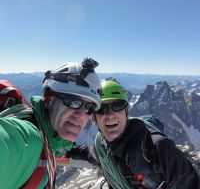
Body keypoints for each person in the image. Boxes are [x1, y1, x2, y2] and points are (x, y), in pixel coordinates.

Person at [67, 80, 200, 189]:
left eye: (117, 106)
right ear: (94, 118)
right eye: (101, 109)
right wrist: (60, 147)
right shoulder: (102, 149)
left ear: (126, 111)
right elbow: (86, 153)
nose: (110, 114)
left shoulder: (157, 147)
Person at [0, 57, 102, 189]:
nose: (82, 115)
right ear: (48, 98)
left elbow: (59, 146)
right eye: (73, 101)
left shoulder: (51, 140)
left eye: (89, 108)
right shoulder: (30, 141)